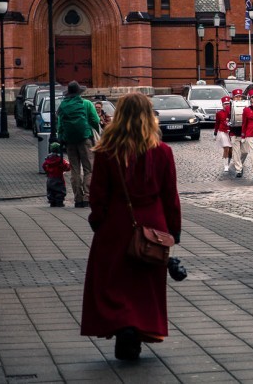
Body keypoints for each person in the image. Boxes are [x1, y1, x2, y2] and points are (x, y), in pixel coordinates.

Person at [80, 92, 181, 361]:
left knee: (114, 282)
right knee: (144, 284)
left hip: (116, 223)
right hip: (152, 225)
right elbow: (171, 196)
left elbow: (97, 194)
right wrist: (173, 230)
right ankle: (138, 328)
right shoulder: (163, 152)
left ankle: (123, 324)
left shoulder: (106, 152)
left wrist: (98, 222)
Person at [57, 80, 101, 208]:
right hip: (85, 139)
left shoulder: (63, 105)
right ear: (79, 92)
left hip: (70, 141)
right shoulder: (86, 103)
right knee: (89, 168)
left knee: (75, 169)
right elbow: (96, 120)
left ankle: (78, 198)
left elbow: (60, 125)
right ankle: (87, 196)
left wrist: (61, 138)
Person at [43, 142, 71, 208]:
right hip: (58, 176)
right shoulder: (60, 160)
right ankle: (59, 201)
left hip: (50, 177)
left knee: (50, 190)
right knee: (60, 190)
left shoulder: (48, 159)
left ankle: (52, 201)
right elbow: (66, 167)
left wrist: (47, 171)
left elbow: (44, 166)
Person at [213, 96, 232, 172]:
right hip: (222, 132)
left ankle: (229, 161)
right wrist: (215, 133)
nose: (226, 105)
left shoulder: (232, 112)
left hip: (230, 133)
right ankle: (226, 165)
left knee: (231, 150)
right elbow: (217, 123)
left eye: (228, 104)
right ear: (222, 105)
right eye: (225, 104)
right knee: (226, 148)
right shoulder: (219, 113)